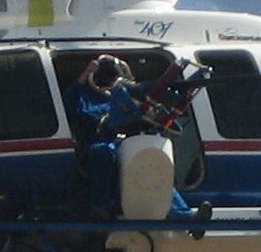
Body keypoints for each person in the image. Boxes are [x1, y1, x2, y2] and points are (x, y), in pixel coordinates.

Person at [72, 56, 204, 220]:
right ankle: (101, 207)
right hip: (104, 143)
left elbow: (147, 95)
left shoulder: (128, 95)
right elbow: (70, 100)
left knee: (151, 163)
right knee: (102, 152)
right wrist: (86, 73)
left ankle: (185, 216)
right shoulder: (86, 99)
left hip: (129, 141)